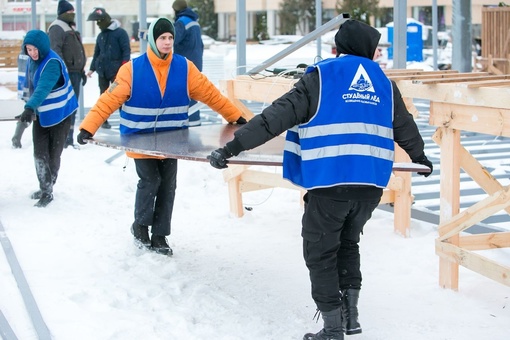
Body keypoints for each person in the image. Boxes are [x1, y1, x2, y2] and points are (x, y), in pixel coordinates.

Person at [207, 20, 433, 340]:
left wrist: (232, 147)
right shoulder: (383, 82)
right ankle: (350, 317)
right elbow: (405, 126)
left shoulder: (320, 78)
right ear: (369, 51)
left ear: (338, 48)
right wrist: (420, 157)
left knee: (320, 251)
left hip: (330, 182)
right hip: (370, 186)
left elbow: (275, 118)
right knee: (347, 243)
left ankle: (332, 329)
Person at [77, 18, 246, 255]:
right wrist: (88, 127)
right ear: (153, 41)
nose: (167, 42)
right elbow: (109, 100)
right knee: (150, 181)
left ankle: (160, 235)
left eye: (169, 38)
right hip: (139, 140)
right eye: (162, 38)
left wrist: (235, 116)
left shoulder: (184, 68)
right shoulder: (132, 70)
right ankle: (140, 226)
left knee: (168, 185)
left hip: (172, 142)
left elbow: (211, 95)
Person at [17, 30, 78, 207]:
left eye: (35, 49)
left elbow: (43, 88)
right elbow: (30, 85)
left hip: (61, 114)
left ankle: (48, 190)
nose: (32, 53)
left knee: (53, 154)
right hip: (43, 114)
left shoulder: (52, 62)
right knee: (39, 152)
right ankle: (45, 187)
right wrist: (25, 104)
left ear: (42, 47)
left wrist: (30, 107)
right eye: (28, 49)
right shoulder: (32, 61)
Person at [48, 0, 87, 149]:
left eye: (73, 12)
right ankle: (63, 139)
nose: (72, 15)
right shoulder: (57, 28)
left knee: (72, 106)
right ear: (62, 13)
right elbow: (55, 51)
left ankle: (68, 138)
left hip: (75, 73)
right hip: (66, 74)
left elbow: (77, 51)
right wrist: (63, 71)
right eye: (69, 13)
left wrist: (81, 70)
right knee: (65, 107)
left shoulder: (70, 27)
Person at [86, 7, 131, 129]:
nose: (98, 24)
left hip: (117, 71)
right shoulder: (101, 35)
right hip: (102, 71)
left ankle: (125, 119)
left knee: (120, 96)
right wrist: (92, 68)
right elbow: (97, 53)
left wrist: (124, 68)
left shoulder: (120, 33)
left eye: (99, 21)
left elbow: (126, 51)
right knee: (103, 97)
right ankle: (103, 120)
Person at [172, 0, 204, 126]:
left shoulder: (181, 22)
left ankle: (188, 122)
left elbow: (172, 39)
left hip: (184, 63)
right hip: (196, 62)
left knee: (184, 93)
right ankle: (195, 121)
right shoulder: (194, 22)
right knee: (192, 92)